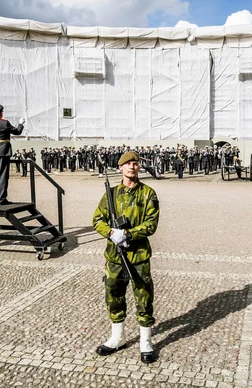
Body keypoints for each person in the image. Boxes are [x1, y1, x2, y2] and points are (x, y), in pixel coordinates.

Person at [92, 151, 160, 364]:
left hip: (138, 255)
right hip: (114, 255)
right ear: (120, 168)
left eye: (135, 163)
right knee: (113, 294)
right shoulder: (110, 194)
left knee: (143, 296)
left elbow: (151, 224)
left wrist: (129, 233)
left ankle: (145, 341)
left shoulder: (148, 193)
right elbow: (97, 219)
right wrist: (112, 233)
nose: (132, 166)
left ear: (139, 168)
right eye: (127, 164)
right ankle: (117, 337)